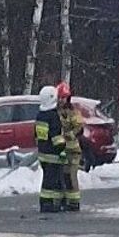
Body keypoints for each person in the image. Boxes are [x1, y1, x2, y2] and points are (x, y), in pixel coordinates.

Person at [35, 84, 67, 214]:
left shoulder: (40, 115)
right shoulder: (53, 116)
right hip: (53, 155)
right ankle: (48, 204)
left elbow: (37, 134)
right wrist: (62, 149)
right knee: (51, 181)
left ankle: (52, 203)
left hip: (43, 153)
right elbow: (56, 137)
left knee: (49, 179)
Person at [57, 81, 82, 213]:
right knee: (62, 176)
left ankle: (74, 202)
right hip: (61, 150)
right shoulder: (56, 112)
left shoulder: (73, 112)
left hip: (73, 150)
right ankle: (65, 200)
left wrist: (70, 134)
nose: (61, 100)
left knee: (71, 176)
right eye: (60, 97)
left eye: (64, 97)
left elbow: (79, 128)